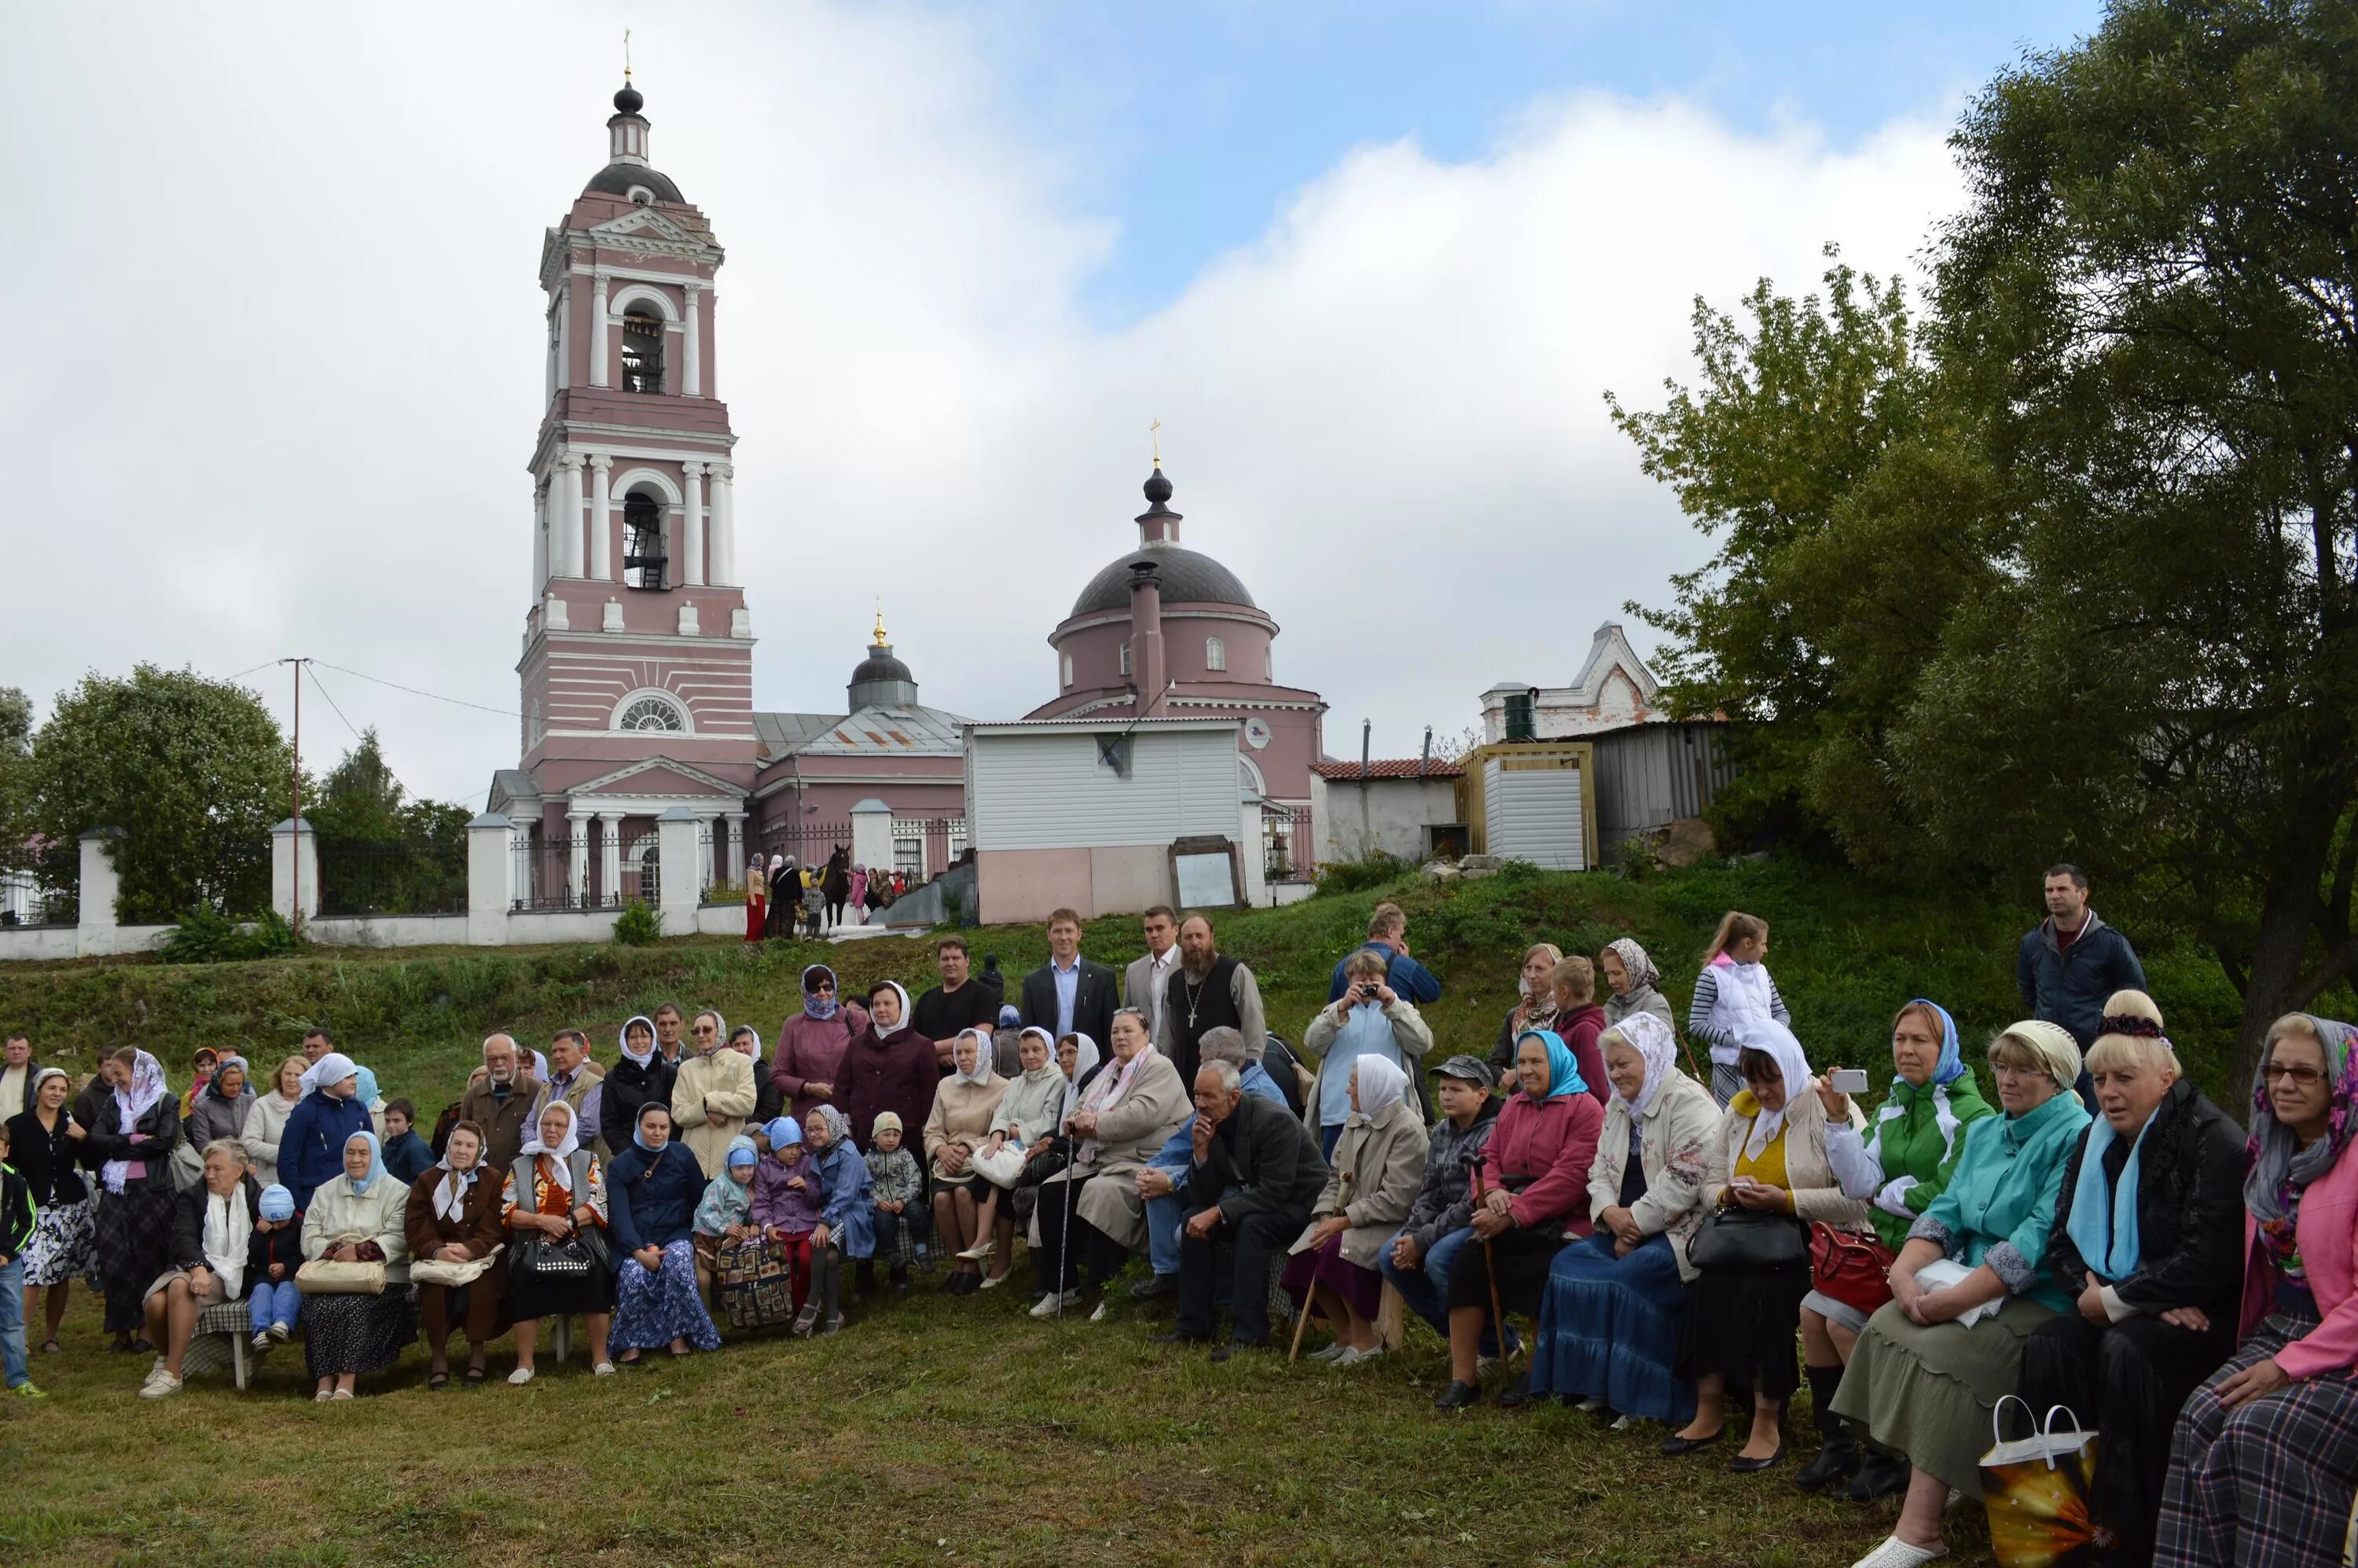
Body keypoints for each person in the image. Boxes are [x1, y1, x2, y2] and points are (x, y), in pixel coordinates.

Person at [1829, 1022, 2091, 1567]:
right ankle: (1939, 1467)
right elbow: (1947, 1207)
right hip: (1965, 1276)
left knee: (1949, 1355)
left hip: (2037, 1295)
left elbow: (2037, 1237)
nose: (2008, 1079)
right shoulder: (1991, 1130)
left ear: (2059, 1077)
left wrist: (1954, 1300)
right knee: (1886, 1322)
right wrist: (1904, 1271)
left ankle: (1921, 1529)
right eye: (2001, 1066)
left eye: (2024, 1068)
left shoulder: (2075, 1135)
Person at [2016, 992, 2244, 1567]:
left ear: (2166, 1077)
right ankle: (2047, 1523)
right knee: (2049, 1345)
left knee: (2126, 1350)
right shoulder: (2093, 1139)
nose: (2109, 1091)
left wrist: (2118, 1301)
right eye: (2099, 1078)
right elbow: (2061, 1240)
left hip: (2206, 1317)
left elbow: (2208, 1260)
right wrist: (2102, 1297)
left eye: (2125, 1076)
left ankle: (2126, 1537)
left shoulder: (2210, 1138)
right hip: (2137, 1303)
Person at [2157, 1013, 2358, 1568]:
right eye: (2275, 1069)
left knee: (2261, 1431)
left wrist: (2286, 1366)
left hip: (2345, 1348)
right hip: (2285, 1329)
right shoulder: (2268, 1154)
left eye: (2304, 1073)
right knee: (2199, 1415)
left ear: (2341, 1081)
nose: (2284, 1084)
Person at [1798, 999, 1996, 1495]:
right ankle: (1838, 1443)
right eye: (1899, 1039)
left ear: (1945, 1046)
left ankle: (1888, 1453)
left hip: (1937, 1254)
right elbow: (1858, 1180)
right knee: (1810, 1313)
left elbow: (1946, 1197)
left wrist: (1884, 1193)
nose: (1906, 1050)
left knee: (1843, 1322)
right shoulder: (1893, 1104)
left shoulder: (1973, 1115)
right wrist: (1840, 1120)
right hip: (1885, 1245)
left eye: (1920, 1040)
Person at [1664, 1018, 1866, 1467]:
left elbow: (1858, 1199)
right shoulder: (1740, 1113)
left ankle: (1767, 1418)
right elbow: (1710, 1183)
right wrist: (1730, 1194)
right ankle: (1709, 1405)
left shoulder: (1830, 1108)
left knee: (1764, 1294)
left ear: (1791, 1068)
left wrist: (1786, 1201)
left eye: (1771, 1079)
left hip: (1809, 1239)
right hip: (1744, 1231)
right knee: (1709, 1285)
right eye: (1753, 1079)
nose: (1762, 1091)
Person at [1531, 1012, 1719, 1426]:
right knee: (1566, 1265)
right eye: (1610, 1066)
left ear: (1652, 1058)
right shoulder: (1618, 1105)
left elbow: (1687, 1179)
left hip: (1679, 1233)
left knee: (1629, 1277)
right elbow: (1598, 1168)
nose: (1614, 1075)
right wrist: (1610, 1215)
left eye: (1623, 1064)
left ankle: (1641, 1398)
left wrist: (1633, 1224)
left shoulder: (1689, 1102)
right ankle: (1594, 1385)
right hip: (1621, 1225)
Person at [1433, 1029, 1607, 1411]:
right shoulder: (1513, 1106)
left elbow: (1572, 1177)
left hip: (1562, 1220)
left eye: (1535, 1062)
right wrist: (1490, 1193)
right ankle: (1464, 1377)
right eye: (1521, 1062)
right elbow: (1488, 1157)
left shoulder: (1585, 1109)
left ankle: (1537, 1370)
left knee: (1541, 1269)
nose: (1526, 1071)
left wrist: (1514, 1212)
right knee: (1468, 1262)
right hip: (1505, 1208)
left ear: (1556, 1062)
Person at [1154, 1060, 1328, 1360]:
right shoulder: (1212, 1125)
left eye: (1209, 1097)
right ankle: (1194, 1326)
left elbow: (1275, 1192)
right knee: (1192, 1218)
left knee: (1252, 1227)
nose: (1201, 1105)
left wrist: (1219, 1212)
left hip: (1301, 1205)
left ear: (1234, 1097)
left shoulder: (1272, 1120)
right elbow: (1204, 1195)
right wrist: (1201, 1153)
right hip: (1258, 1201)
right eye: (1197, 1095)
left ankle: (1251, 1334)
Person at [1035, 1008, 1190, 1316]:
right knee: (1051, 1191)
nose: (1120, 1036)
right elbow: (1079, 1107)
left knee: (1103, 1195)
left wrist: (1093, 1124)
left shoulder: (1160, 1068)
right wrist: (1075, 1121)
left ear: (1146, 1034)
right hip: (1101, 1159)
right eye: (1115, 1031)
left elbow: (1142, 1115)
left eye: (1128, 1030)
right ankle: (1062, 1287)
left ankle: (1107, 1288)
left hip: (1144, 1159)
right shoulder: (1108, 1071)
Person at [1283, 1056, 1427, 1364]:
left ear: (1375, 1086)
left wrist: (1344, 1222)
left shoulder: (1407, 1129)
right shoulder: (1356, 1121)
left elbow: (1397, 1198)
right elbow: (1335, 1177)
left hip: (1388, 1221)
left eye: (1353, 1084)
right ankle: (1345, 1335)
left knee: (1338, 1250)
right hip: (1348, 1219)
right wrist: (1325, 1217)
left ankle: (1365, 1341)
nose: (1348, 1091)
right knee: (1306, 1250)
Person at [1128, 1029, 1280, 1301]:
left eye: (1203, 1061)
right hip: (1218, 1173)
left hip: (1247, 1186)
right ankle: (1168, 1274)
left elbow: (1236, 1169)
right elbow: (1186, 1140)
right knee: (1155, 1177)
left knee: (1181, 1231)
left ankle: (1219, 1294)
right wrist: (1153, 1168)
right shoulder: (1213, 1093)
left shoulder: (1255, 1096)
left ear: (1220, 1063)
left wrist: (1174, 1181)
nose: (1200, 1067)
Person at [1382, 1056, 1507, 1357]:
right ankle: (1461, 1339)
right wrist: (1411, 1235)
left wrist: (1423, 1240)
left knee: (1438, 1259)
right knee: (1389, 1255)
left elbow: (1472, 1201)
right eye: (1442, 1088)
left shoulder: (1494, 1131)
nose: (1446, 1096)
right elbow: (1430, 1190)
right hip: (1444, 1220)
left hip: (1481, 1218)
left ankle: (1494, 1345)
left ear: (1481, 1094)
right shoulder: (1441, 1131)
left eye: (1456, 1089)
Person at [134, 1139, 262, 1398]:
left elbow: (265, 1241)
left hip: (236, 1275)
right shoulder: (192, 1195)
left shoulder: (256, 1197)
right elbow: (184, 1237)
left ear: (238, 1171)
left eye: (218, 1169)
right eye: (207, 1168)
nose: (210, 1175)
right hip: (195, 1269)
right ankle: (165, 1358)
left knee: (180, 1286)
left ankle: (172, 1373)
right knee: (155, 1304)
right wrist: (199, 1268)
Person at [2018, 863, 2149, 1109]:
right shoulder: (2033, 943)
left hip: (2094, 1062)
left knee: (2092, 1132)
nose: (2054, 896)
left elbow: (2135, 995)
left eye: (2062, 889)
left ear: (2083, 894)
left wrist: (2109, 1034)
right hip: (2049, 1062)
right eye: (2049, 890)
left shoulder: (2110, 943)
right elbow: (2028, 990)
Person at [502, 1099, 613, 1382]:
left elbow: (599, 1204)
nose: (552, 1130)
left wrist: (566, 1223)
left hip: (580, 1240)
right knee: (522, 1278)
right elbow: (508, 1211)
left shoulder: (586, 1161)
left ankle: (600, 1358)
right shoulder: (521, 1164)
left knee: (597, 1277)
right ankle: (525, 1363)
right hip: (533, 1242)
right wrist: (541, 1221)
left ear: (571, 1128)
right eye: (546, 1124)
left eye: (559, 1125)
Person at [299, 1129, 413, 1400]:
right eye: (350, 1152)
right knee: (317, 1307)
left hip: (381, 1277)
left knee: (353, 1306)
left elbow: (399, 1237)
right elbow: (310, 1233)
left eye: (364, 1153)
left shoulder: (397, 1192)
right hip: (332, 1272)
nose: (356, 1159)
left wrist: (361, 1251)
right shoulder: (326, 1191)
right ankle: (323, 1383)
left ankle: (346, 1383)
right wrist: (335, 1250)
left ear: (374, 1156)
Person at [607, 1102, 719, 1364]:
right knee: (634, 1275)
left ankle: (677, 1336)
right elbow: (619, 1214)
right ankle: (632, 1342)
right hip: (634, 1240)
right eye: (651, 1127)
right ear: (638, 1127)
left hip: (675, 1233)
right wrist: (638, 1251)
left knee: (678, 1265)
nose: (657, 1133)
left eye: (663, 1127)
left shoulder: (682, 1155)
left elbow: (700, 1199)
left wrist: (700, 1234)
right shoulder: (620, 1166)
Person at [85, 1047, 181, 1352]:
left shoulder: (165, 1100)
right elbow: (96, 1139)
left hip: (152, 1190)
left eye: (121, 1074)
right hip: (116, 1190)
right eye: (112, 1074)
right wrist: (132, 1140)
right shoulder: (114, 1102)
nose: (116, 1080)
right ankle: (120, 1328)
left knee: (148, 1255)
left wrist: (118, 1147)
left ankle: (147, 1328)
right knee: (114, 1257)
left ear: (138, 1072)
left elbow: (165, 1142)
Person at [403, 1119, 507, 1387]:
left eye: (470, 1146)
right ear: (448, 1146)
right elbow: (416, 1224)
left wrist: (471, 1249)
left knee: (482, 1287)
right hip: (438, 1256)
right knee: (434, 1290)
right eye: (457, 1144)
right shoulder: (427, 1181)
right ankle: (439, 1356)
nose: (462, 1150)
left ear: (479, 1150)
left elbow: (496, 1224)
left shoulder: (493, 1180)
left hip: (479, 1256)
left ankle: (477, 1351)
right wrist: (436, 1250)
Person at [1304, 948, 1434, 1159]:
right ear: (1349, 983)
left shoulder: (1400, 1010)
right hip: (1339, 1114)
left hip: (1388, 1116)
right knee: (1337, 1181)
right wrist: (1341, 1009)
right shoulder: (1335, 1012)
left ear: (1384, 981)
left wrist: (1393, 1006)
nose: (1367, 986)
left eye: (1373, 980)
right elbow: (1312, 1043)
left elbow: (1423, 1043)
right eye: (1360, 981)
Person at [969, 1027, 1067, 1289]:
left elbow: (1050, 1118)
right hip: (1011, 1145)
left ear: (1049, 1051)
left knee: (996, 1182)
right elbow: (1002, 1111)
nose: (1030, 1056)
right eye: (1024, 1050)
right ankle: (984, 1245)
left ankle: (994, 1253)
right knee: (988, 1171)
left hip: (1037, 1148)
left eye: (1036, 1049)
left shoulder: (1057, 1080)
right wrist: (997, 1136)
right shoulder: (1017, 1082)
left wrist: (1019, 1131)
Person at [9, 1067, 90, 1357]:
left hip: (69, 1208)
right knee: (31, 1274)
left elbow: (92, 1161)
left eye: (62, 1090)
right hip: (32, 1209)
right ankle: (19, 1338)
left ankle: (51, 1336)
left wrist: (84, 1137)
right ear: (39, 1090)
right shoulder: (17, 1125)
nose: (57, 1094)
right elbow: (10, 1167)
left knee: (60, 1274)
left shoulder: (70, 1124)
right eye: (51, 1088)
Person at [925, 1030, 1008, 1293]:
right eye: (958, 1052)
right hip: (947, 1162)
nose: (962, 1057)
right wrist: (940, 1150)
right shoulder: (945, 1086)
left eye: (969, 1051)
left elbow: (1000, 1131)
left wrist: (968, 1147)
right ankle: (958, 1262)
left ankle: (973, 1264)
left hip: (979, 1161)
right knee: (940, 1199)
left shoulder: (1003, 1087)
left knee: (962, 1194)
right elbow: (933, 1129)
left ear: (983, 1052)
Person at [1688, 911, 1792, 1107]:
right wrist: (1735, 1041)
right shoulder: (1711, 976)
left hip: (1766, 1066)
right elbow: (1696, 1024)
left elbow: (1781, 1012)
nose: (1766, 950)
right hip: (1729, 1068)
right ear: (1747, 943)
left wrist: (1773, 1035)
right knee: (1732, 1127)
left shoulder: (1762, 973)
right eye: (1763, 944)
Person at [1157, 915, 1270, 1091]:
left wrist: (1249, 1074)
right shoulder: (1175, 982)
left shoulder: (1235, 973)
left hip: (1227, 1083)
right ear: (1181, 941)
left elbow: (1254, 1026)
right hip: (1185, 1082)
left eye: (1200, 936)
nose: (1194, 942)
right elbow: (1166, 1038)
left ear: (1211, 938)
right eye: (1188, 937)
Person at [799, 1104, 872, 1334]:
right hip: (834, 1212)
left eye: (819, 1128)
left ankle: (812, 1301)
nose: (813, 1134)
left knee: (820, 1239)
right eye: (809, 1130)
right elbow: (820, 1192)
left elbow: (845, 1194)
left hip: (855, 1213)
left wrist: (825, 1221)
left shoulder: (849, 1153)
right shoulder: (819, 1156)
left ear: (832, 1125)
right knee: (829, 1256)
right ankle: (833, 1316)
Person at [845, 980, 938, 1154]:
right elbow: (843, 1086)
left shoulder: (922, 1046)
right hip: (863, 1138)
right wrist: (846, 1126)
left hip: (907, 1142)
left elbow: (930, 1093)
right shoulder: (857, 1044)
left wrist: (927, 1131)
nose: (881, 1009)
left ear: (902, 1006)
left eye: (887, 1003)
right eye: (876, 1004)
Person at [277, 1051, 372, 1214]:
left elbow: (372, 1150)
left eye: (354, 1076)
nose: (354, 1082)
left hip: (355, 1195)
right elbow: (288, 1159)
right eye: (348, 1077)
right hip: (316, 1198)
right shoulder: (306, 1111)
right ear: (332, 1078)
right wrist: (298, 1203)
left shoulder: (358, 1108)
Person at [772, 964, 869, 1125]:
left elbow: (867, 1065)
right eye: (815, 989)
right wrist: (808, 1088)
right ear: (805, 991)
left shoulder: (855, 1019)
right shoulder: (793, 1025)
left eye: (827, 987)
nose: (822, 993)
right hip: (809, 1118)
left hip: (849, 1114)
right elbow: (778, 1076)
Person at [751, 1115, 824, 1316]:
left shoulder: (807, 1163)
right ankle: (802, 1309)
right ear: (775, 1147)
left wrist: (806, 1187)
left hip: (806, 1223)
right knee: (786, 1265)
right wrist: (768, 1227)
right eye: (788, 1147)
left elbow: (818, 1197)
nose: (794, 1152)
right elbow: (762, 1203)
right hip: (780, 1226)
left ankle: (811, 1300)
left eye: (798, 1146)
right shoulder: (764, 1169)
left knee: (808, 1260)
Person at [671, 1009, 757, 1179]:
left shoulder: (741, 1062)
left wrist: (711, 1101)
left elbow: (747, 1103)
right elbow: (678, 1113)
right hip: (694, 1159)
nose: (701, 1035)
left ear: (720, 1031)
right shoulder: (686, 1069)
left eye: (707, 1030)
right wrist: (705, 1110)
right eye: (696, 1031)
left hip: (731, 1158)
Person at [1021, 909, 1118, 1052]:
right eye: (1057, 931)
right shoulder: (1033, 982)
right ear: (1049, 935)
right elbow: (1028, 1033)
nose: (1063, 937)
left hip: (1092, 1065)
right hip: (1048, 1066)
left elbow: (1111, 1029)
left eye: (1069, 931)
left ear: (1079, 934)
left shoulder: (1103, 979)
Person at [457, 1034, 545, 1177]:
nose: (499, 1063)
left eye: (505, 1058)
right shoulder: (473, 1096)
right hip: (482, 1180)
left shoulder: (537, 1091)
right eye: (492, 1059)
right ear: (485, 1061)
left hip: (524, 1179)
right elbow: (463, 1139)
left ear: (516, 1058)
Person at [912, 936, 1001, 1070]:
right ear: (939, 963)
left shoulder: (983, 994)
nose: (950, 963)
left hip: (971, 1081)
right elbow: (914, 1042)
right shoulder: (926, 999)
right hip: (931, 1080)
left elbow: (980, 1037)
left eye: (955, 958)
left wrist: (931, 1049)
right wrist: (934, 1055)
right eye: (945, 959)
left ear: (967, 961)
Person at [1329, 902, 1442, 1006]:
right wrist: (1408, 961)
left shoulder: (1341, 966)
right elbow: (1433, 994)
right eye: (1401, 935)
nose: (1401, 941)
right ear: (1390, 931)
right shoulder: (1406, 965)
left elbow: (1334, 1010)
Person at [0, 1118, 41, 1397]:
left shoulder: (15, 1181)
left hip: (7, 1265)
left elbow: (29, 1220)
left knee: (13, 1320)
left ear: (5, 1150)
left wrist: (7, 1252)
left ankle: (18, 1377)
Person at [692, 1133, 759, 1302]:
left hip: (732, 1235)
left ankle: (731, 1302)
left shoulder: (751, 1187)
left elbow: (752, 1211)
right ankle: (706, 1311)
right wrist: (725, 1227)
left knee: (735, 1268)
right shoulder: (720, 1185)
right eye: (739, 1168)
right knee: (703, 1278)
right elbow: (706, 1212)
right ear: (729, 1167)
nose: (745, 1173)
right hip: (708, 1235)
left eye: (749, 1167)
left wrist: (751, 1225)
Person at [864, 1113, 924, 1289]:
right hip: (882, 1203)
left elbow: (915, 1179)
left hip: (903, 1199)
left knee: (919, 1211)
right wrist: (877, 1201)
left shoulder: (905, 1156)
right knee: (882, 1221)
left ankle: (922, 1251)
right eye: (886, 1134)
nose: (891, 1139)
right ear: (875, 1137)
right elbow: (863, 1184)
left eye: (896, 1135)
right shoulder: (867, 1160)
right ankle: (892, 1255)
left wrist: (903, 1200)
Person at [246, 1183, 303, 1351]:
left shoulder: (299, 1227)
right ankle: (261, 1332)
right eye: (272, 1222)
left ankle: (282, 1325)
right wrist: (258, 1233)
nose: (276, 1226)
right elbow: (250, 1255)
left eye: (281, 1222)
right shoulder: (261, 1228)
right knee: (260, 1294)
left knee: (288, 1291)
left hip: (290, 1275)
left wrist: (286, 1267)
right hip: (263, 1275)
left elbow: (304, 1254)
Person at [1491, 943, 1563, 1072]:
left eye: (1539, 969)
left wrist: (1518, 1075)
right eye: (1528, 968)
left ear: (1557, 971)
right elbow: (1494, 1064)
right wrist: (1513, 1081)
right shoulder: (1516, 1016)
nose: (1532, 975)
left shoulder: (1565, 1013)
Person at [604, 1015, 678, 1139]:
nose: (639, 1042)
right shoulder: (614, 1078)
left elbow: (675, 1115)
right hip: (629, 1153)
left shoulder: (668, 1073)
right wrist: (629, 1154)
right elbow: (609, 1123)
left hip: (666, 1149)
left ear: (652, 1039)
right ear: (625, 1041)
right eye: (633, 1037)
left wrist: (665, 1149)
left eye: (644, 1036)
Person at [241, 1055, 307, 1189]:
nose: (291, 1079)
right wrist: (286, 1154)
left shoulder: (313, 1107)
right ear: (279, 1076)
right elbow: (248, 1143)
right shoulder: (262, 1105)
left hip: (306, 1181)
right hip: (269, 1183)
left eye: (297, 1075)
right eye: (287, 1074)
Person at [1124, 905, 1183, 1041]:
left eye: (1160, 928)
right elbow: (1128, 1016)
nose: (1154, 934)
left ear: (1176, 929)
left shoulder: (1190, 965)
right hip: (1145, 1054)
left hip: (1181, 1052)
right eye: (1149, 930)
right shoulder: (1134, 971)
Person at [1599, 938, 1677, 1033]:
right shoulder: (1611, 1006)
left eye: (1616, 973)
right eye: (1608, 974)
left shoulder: (1655, 1005)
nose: (1610, 981)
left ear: (1634, 970)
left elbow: (1657, 1045)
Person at [540, 1028, 604, 1141]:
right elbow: (529, 1125)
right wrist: (536, 1148)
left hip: (582, 1157)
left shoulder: (595, 1085)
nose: (557, 1056)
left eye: (563, 1050)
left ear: (581, 1052)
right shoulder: (545, 1088)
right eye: (554, 1051)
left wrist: (554, 1146)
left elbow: (589, 1127)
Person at [182, 1054, 252, 1155]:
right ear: (219, 1084)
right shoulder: (203, 1108)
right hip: (219, 1162)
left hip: (251, 1162)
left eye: (239, 1084)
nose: (235, 1089)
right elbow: (203, 1145)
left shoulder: (250, 1101)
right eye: (230, 1085)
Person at [380, 1099, 435, 1184]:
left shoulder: (416, 1148)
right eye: (388, 1121)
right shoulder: (390, 1144)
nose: (391, 1125)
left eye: (396, 1121)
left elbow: (425, 1182)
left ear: (409, 1122)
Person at [0, 1032, 42, 1125]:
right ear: (5, 1051)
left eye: (21, 1048)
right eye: (12, 1048)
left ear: (29, 1051)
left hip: (26, 1131)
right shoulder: (1, 1074)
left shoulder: (40, 1076)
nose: (16, 1052)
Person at [178, 1047, 220, 1122]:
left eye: (210, 1064)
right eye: (202, 1065)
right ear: (196, 1067)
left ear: (216, 1065)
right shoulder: (190, 1093)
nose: (207, 1069)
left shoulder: (225, 1086)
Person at [652, 1003, 689, 1069]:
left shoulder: (694, 1060)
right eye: (662, 1024)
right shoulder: (644, 1060)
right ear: (655, 1026)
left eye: (673, 1024)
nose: (668, 1029)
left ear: (682, 1026)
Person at [744, 855, 768, 944]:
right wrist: (753, 900)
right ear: (756, 860)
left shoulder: (759, 871)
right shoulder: (751, 871)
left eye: (763, 860)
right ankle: (751, 938)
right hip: (755, 896)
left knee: (761, 918)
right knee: (755, 919)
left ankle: (759, 937)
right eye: (761, 860)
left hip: (761, 896)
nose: (762, 861)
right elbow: (750, 887)